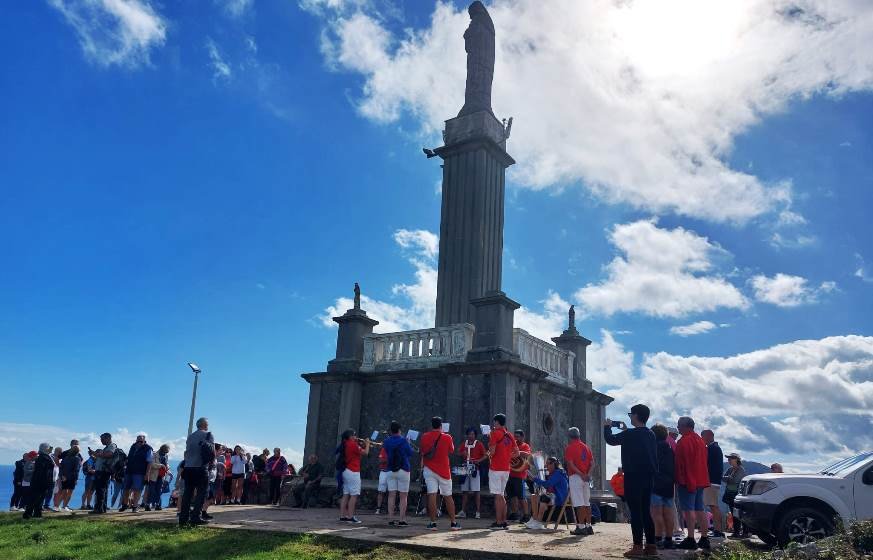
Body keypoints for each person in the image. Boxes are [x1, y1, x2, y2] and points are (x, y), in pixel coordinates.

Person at [604, 403, 658, 559]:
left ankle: (637, 546)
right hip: (648, 477)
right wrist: (627, 431)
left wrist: (607, 426)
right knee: (646, 511)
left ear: (635, 416)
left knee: (636, 512)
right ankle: (651, 546)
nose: (630, 417)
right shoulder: (650, 434)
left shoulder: (630, 435)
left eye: (630, 414)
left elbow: (610, 439)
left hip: (633, 476)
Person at [674, 416, 711, 550]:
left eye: (679, 425)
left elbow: (682, 464)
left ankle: (690, 538)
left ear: (685, 426)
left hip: (688, 480)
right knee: (700, 509)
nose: (678, 428)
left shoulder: (683, 442)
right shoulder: (700, 441)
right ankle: (704, 538)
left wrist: (682, 480)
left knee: (688, 510)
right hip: (701, 480)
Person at [420, 416, 459, 531]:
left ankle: (433, 523)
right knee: (448, 496)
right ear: (441, 426)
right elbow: (451, 450)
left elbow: (422, 451)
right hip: (444, 471)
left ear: (431, 425)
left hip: (429, 469)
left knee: (431, 494)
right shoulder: (447, 437)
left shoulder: (424, 436)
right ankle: (453, 523)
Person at [179, 417, 215, 526]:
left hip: (188, 468)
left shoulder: (190, 437)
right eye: (207, 424)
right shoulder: (208, 435)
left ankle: (183, 518)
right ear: (204, 425)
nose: (208, 426)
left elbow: (187, 452)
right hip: (201, 467)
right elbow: (212, 452)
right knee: (201, 493)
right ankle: (195, 517)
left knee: (187, 493)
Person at [487, 413, 518, 530]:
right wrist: (506, 456)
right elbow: (517, 453)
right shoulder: (509, 435)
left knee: (498, 496)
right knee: (502, 495)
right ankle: (503, 521)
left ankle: (499, 522)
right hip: (506, 469)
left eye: (494, 422)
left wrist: (489, 451)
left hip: (496, 468)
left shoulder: (494, 433)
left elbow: (492, 452)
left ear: (496, 422)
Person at [382, 421, 414, 526]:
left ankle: (390, 519)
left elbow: (387, 452)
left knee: (391, 495)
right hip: (403, 469)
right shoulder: (404, 440)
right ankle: (402, 519)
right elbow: (410, 453)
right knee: (403, 496)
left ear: (391, 430)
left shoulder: (386, 441)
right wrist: (408, 443)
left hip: (390, 469)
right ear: (400, 430)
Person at [565, 426, 595, 536]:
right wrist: (588, 474)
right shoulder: (586, 447)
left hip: (576, 477)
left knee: (579, 503)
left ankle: (581, 527)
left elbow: (571, 464)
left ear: (569, 436)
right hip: (586, 477)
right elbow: (592, 463)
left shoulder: (570, 447)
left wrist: (581, 474)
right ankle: (589, 526)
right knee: (587, 503)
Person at [524, 456, 569, 530]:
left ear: (554, 465)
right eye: (546, 464)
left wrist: (535, 479)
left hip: (559, 498)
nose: (546, 466)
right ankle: (534, 519)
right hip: (554, 495)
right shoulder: (554, 473)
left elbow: (548, 484)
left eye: (548, 464)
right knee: (534, 496)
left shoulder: (558, 473)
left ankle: (538, 522)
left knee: (544, 498)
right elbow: (549, 487)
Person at [651, 424, 676, 550]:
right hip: (669, 485)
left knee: (657, 514)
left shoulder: (653, 448)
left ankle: (657, 539)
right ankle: (669, 539)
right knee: (669, 513)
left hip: (656, 484)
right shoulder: (670, 449)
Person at [337, 429, 368, 523]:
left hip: (346, 471)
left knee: (346, 494)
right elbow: (366, 453)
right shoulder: (352, 444)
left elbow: (357, 454)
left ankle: (342, 516)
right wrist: (367, 444)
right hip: (353, 471)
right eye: (354, 435)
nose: (356, 437)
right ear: (350, 436)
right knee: (354, 495)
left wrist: (361, 445)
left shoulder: (345, 443)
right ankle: (350, 517)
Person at [455, 427, 486, 519]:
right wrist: (462, 454)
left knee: (476, 491)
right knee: (464, 490)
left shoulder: (479, 444)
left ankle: (478, 512)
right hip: (464, 467)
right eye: (469, 434)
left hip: (475, 468)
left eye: (472, 434)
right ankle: (463, 511)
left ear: (475, 435)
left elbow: (485, 455)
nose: (470, 436)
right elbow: (457, 452)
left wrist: (478, 461)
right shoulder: (464, 443)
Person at [701, 430, 725, 538]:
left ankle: (718, 530)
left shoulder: (712, 449)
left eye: (703, 436)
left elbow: (706, 464)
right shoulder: (716, 448)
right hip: (715, 482)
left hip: (711, 482)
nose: (702, 438)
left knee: (713, 506)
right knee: (714, 505)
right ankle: (718, 529)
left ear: (710, 436)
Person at [120, 434, 153, 512]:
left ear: (144, 441)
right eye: (138, 441)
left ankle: (135, 507)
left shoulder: (148, 449)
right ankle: (125, 505)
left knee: (137, 489)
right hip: (129, 471)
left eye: (141, 441)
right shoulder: (133, 447)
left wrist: (147, 474)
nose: (139, 443)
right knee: (126, 489)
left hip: (140, 472)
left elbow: (150, 462)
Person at [23, 444, 55, 519]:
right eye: (49, 448)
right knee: (35, 498)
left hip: (40, 482)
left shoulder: (43, 457)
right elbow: (42, 472)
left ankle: (37, 514)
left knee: (39, 499)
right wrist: (45, 482)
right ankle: (28, 514)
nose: (50, 449)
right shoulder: (43, 458)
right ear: (45, 449)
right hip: (40, 482)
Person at [89, 433, 118, 514]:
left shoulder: (111, 446)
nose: (101, 441)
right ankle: (101, 508)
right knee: (101, 490)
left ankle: (99, 509)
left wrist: (95, 454)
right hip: (102, 471)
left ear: (108, 438)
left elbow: (109, 454)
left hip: (103, 471)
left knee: (101, 490)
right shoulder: (107, 447)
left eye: (102, 439)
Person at [508, 429, 532, 523]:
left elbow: (528, 455)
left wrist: (518, 452)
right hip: (510, 473)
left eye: (518, 437)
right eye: (515, 437)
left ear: (523, 437)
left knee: (521, 496)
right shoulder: (513, 445)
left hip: (520, 475)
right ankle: (515, 514)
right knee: (512, 496)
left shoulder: (525, 445)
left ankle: (526, 515)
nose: (516, 438)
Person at [722, 453, 748, 539]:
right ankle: (737, 532)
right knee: (734, 513)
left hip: (737, 495)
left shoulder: (741, 470)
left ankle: (745, 532)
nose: (729, 460)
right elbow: (724, 478)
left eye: (730, 459)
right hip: (730, 494)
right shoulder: (730, 469)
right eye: (728, 459)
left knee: (739, 513)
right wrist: (729, 478)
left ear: (736, 459)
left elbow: (734, 480)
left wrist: (728, 478)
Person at [56, 445, 82, 512]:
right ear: (78, 451)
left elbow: (61, 467)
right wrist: (76, 479)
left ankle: (57, 506)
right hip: (72, 477)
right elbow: (76, 470)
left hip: (64, 477)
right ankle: (64, 507)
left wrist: (62, 476)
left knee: (64, 491)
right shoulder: (77, 459)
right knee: (69, 492)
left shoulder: (66, 458)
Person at [145, 444, 170, 511]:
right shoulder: (154, 454)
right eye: (165, 451)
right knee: (151, 490)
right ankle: (148, 504)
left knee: (159, 491)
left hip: (161, 476)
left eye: (166, 452)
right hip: (154, 475)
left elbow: (167, 463)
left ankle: (157, 505)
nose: (165, 453)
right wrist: (161, 465)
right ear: (162, 449)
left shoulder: (166, 456)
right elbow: (152, 464)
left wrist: (167, 466)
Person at [374, 445, 389, 515]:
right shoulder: (384, 449)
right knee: (381, 491)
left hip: (392, 472)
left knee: (392, 492)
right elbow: (380, 460)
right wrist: (388, 459)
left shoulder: (396, 449)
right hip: (384, 472)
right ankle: (378, 508)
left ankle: (389, 509)